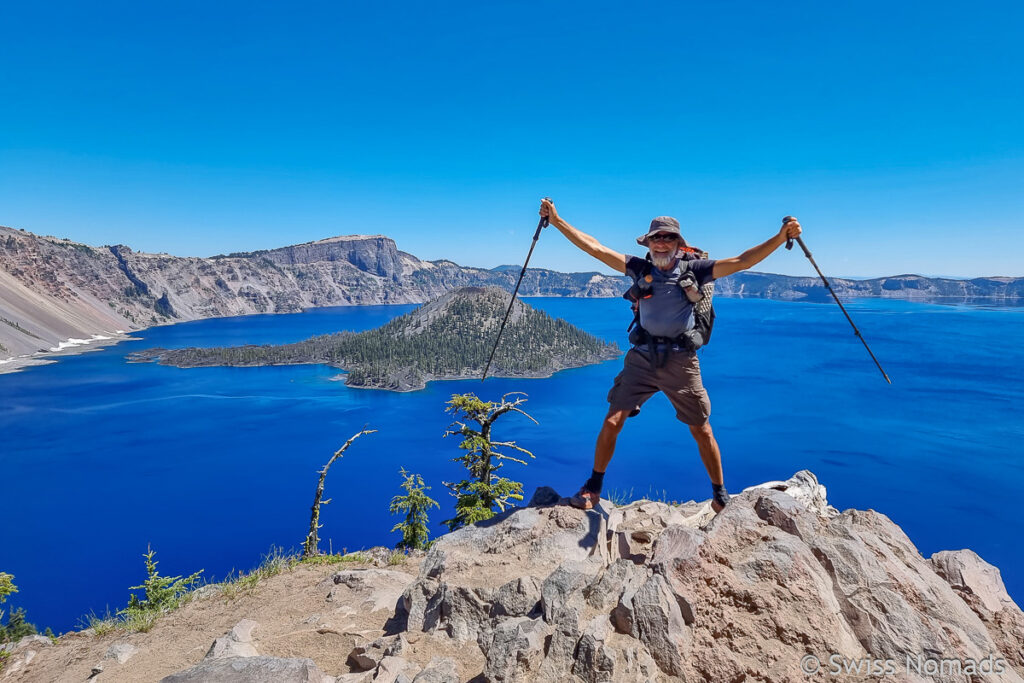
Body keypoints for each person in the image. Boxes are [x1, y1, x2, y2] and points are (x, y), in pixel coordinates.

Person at [538, 198, 802, 513]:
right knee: (612, 421)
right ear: (648, 243)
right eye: (656, 238)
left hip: (681, 361)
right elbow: (595, 248)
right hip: (642, 358)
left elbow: (743, 261)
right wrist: (557, 221)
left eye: (669, 238)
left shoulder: (697, 269)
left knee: (702, 429)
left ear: (678, 243)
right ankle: (593, 486)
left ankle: (719, 495)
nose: (662, 243)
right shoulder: (640, 268)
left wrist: (781, 236)